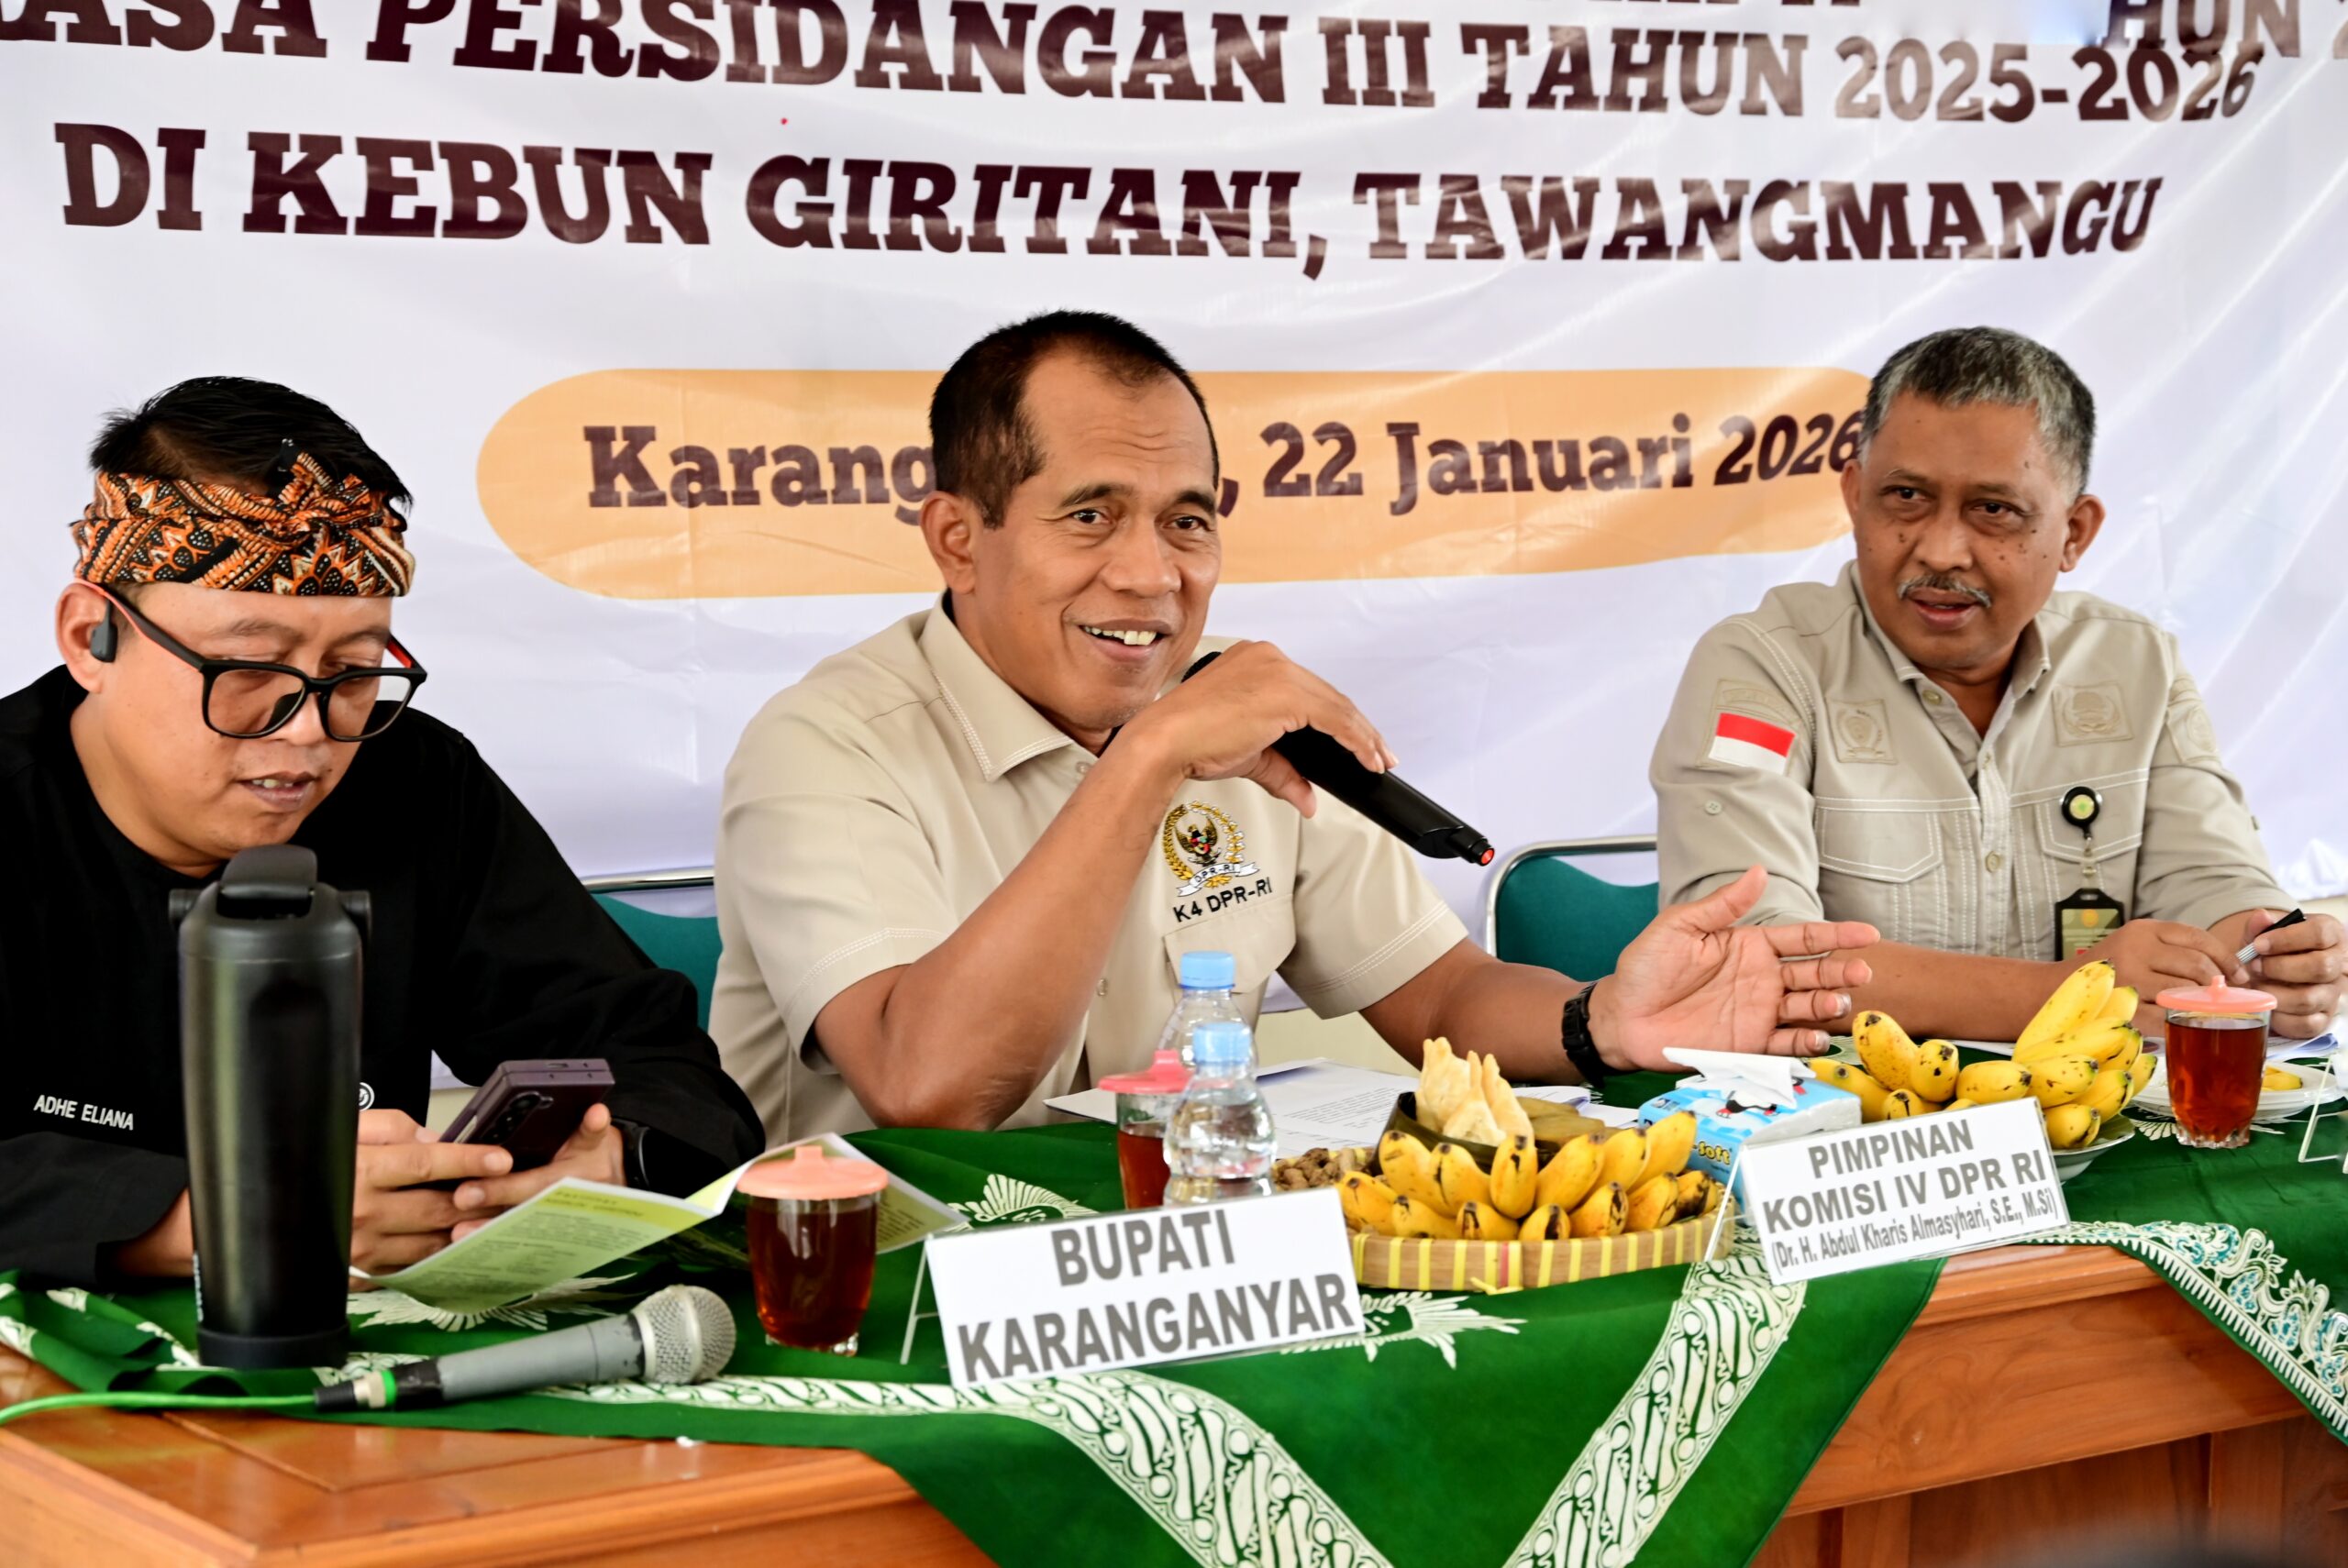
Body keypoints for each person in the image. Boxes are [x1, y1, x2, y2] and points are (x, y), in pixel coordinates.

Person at [713, 311, 1877, 1139]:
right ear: (959, 539)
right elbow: (931, 1088)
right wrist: (1152, 757)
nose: (1149, 575)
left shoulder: (1238, 711)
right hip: (878, 1313)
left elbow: (1438, 996)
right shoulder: (823, 746)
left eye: (1186, 523)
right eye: (1088, 516)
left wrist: (1601, 1022)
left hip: (1176, 1270)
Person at [1, 378, 763, 1288]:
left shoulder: (415, 782)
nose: (307, 732)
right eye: (249, 668)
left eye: (353, 671)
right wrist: (224, 1220)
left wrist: (610, 1160)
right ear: (92, 639)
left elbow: (650, 1059)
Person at [1653, 326, 2342, 1042]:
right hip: (1847, 1130)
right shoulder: (1759, 668)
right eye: (1907, 496)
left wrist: (2273, 956)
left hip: (2103, 1119)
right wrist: (2072, 994)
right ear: (1856, 496)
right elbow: (1750, 960)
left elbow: (2214, 882)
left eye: (1994, 511)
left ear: (2074, 533)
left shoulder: (2137, 664)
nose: (1942, 550)